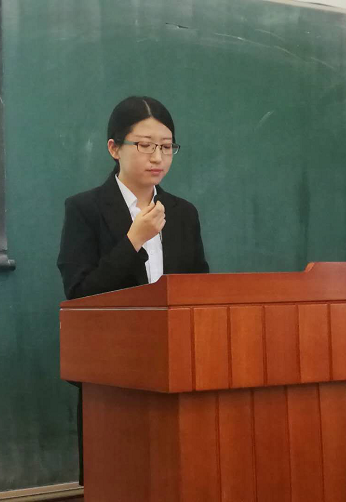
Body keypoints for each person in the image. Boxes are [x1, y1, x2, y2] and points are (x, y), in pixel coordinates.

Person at [57, 96, 209, 484]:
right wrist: (133, 241)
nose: (157, 157)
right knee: (118, 480)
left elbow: (199, 291)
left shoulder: (183, 213)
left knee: (177, 478)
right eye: (144, 145)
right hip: (113, 379)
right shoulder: (85, 210)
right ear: (114, 148)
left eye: (166, 146)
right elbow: (80, 294)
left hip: (178, 372)